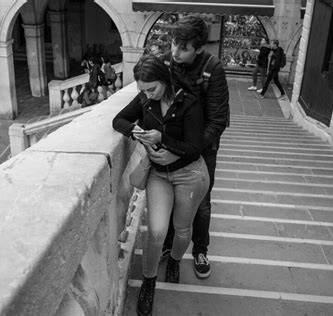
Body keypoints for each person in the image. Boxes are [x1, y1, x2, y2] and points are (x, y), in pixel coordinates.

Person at [112, 55, 209, 316]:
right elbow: (118, 120)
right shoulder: (145, 98)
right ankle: (149, 280)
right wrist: (137, 133)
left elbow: (195, 147)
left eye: (152, 88)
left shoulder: (188, 102)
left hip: (189, 174)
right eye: (142, 90)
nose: (147, 95)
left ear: (165, 81)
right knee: (155, 231)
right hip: (158, 175)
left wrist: (162, 139)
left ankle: (175, 261)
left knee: (182, 228)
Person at [159, 15, 230, 280]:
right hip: (173, 143)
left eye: (183, 48)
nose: (175, 52)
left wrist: (191, 149)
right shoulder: (167, 61)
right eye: (174, 43)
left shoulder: (213, 69)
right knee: (169, 193)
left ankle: (200, 250)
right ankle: (167, 243)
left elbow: (218, 121)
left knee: (201, 202)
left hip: (203, 147)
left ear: (199, 48)